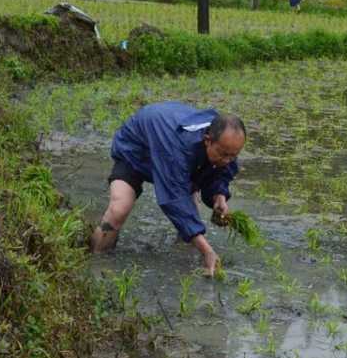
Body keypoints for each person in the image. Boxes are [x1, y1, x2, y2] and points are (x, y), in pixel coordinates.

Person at [90, 101, 246, 277]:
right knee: (119, 208)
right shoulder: (178, 150)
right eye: (223, 154)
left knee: (191, 213)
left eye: (233, 156)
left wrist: (219, 197)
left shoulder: (223, 144)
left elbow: (221, 173)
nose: (227, 160)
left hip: (178, 151)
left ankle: (186, 268)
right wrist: (207, 250)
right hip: (137, 151)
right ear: (207, 140)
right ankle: (96, 263)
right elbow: (174, 199)